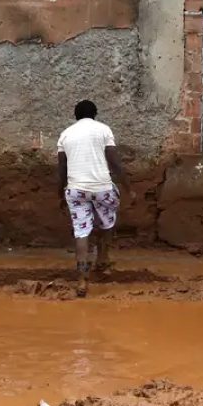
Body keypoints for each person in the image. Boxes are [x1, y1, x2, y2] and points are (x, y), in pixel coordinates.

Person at [57, 100, 128, 297]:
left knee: (81, 232)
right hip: (101, 188)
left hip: (76, 190)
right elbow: (114, 161)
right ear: (95, 114)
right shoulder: (103, 130)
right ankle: (103, 258)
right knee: (107, 222)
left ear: (75, 116)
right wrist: (128, 187)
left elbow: (61, 169)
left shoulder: (65, 134)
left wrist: (60, 194)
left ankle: (82, 280)